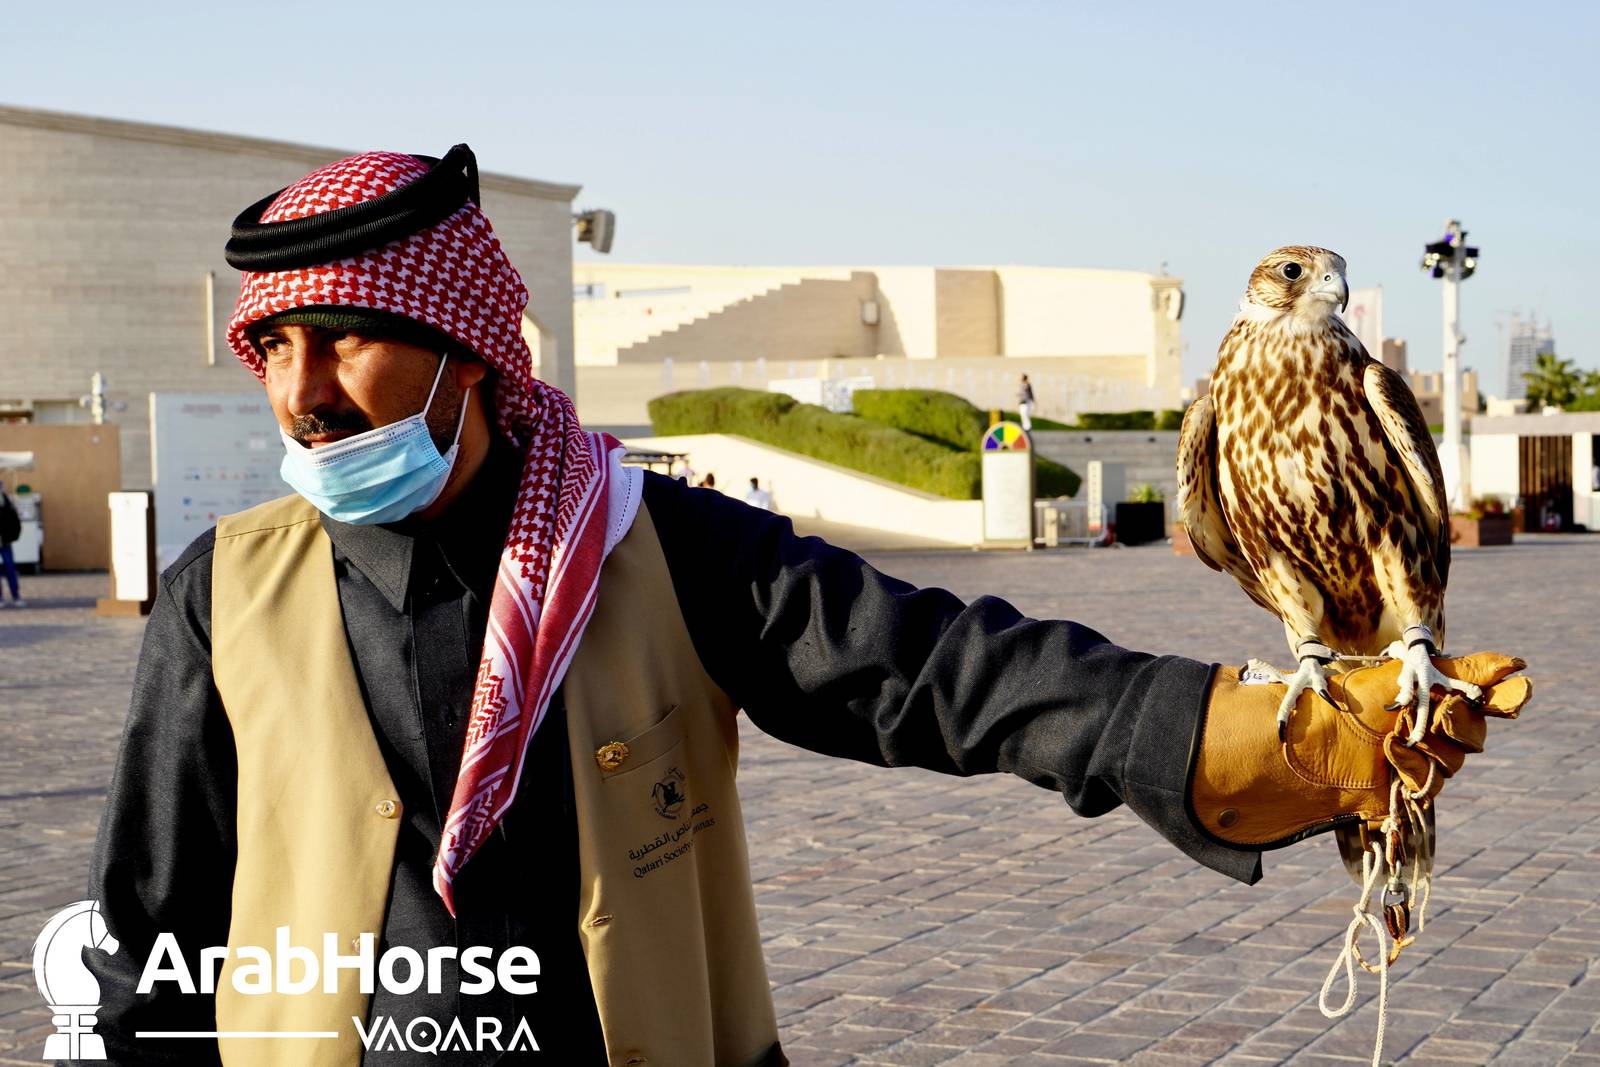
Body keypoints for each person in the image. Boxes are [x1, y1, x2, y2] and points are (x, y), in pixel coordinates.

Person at [82, 146, 1530, 1067]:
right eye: (272, 344)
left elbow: (937, 670)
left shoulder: (652, 545)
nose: (300, 392)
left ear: (464, 348)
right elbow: (152, 939)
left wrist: (1219, 733)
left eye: (343, 341)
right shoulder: (226, 594)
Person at [0, 481, 23, 607]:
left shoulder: (7, 503)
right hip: (5, 541)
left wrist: (12, 536)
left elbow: (14, 521)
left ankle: (16, 595)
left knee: (10, 568)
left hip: (5, 542)